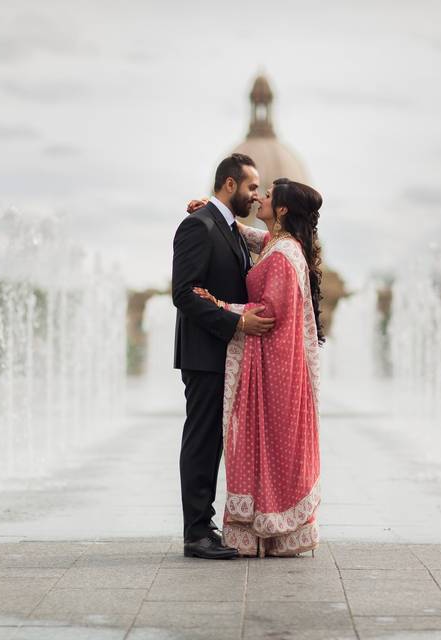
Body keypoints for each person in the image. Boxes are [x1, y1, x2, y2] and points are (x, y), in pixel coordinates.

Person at [188, 178, 324, 557]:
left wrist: (218, 304)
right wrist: (215, 212)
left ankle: (269, 527)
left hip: (274, 368)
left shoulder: (283, 256)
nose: (259, 198)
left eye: (266, 196)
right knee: (265, 444)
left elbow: (269, 315)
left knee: (266, 442)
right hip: (272, 363)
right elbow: (248, 234)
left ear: (281, 209)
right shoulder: (279, 245)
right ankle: (267, 530)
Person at [171, 154, 275, 560]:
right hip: (204, 352)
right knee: (201, 440)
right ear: (229, 185)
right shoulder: (197, 226)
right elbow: (183, 292)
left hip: (222, 353)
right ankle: (195, 533)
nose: (255, 195)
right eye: (251, 187)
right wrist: (237, 324)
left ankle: (203, 525)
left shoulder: (227, 227)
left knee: (211, 440)